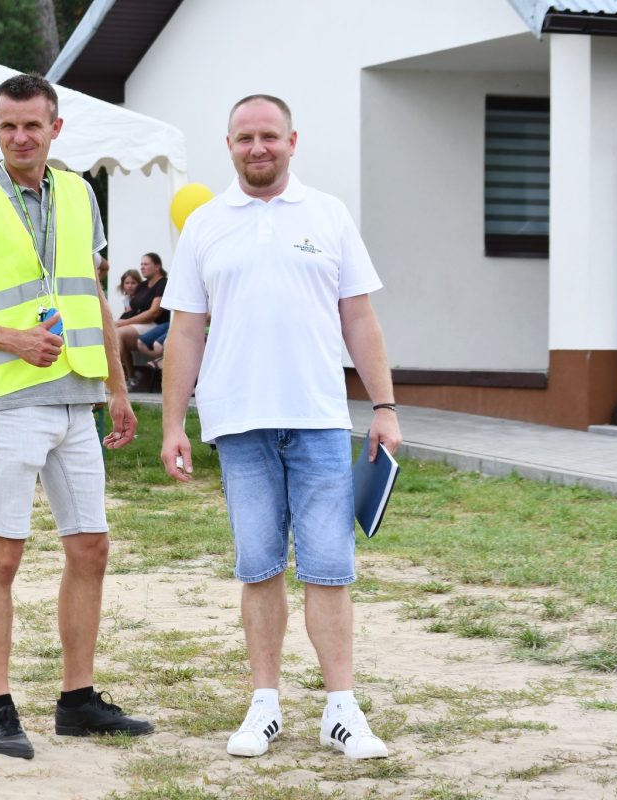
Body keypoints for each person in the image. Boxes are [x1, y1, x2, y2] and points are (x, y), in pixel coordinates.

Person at [160, 94, 402, 761]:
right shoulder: (205, 225)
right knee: (259, 567)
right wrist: (173, 424)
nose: (258, 148)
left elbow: (360, 318)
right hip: (238, 425)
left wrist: (383, 407)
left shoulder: (329, 215)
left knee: (330, 569)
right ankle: (263, 706)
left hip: (320, 420)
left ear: (293, 140)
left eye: (269, 136)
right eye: (245, 138)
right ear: (229, 144)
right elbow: (185, 330)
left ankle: (341, 710)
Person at [0, 72, 149, 760]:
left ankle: (77, 701)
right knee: (6, 553)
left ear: (56, 128)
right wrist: (14, 340)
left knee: (91, 548)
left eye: (32, 125)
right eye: (7, 125)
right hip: (13, 402)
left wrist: (116, 387)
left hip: (79, 400)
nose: (20, 136)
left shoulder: (81, 194)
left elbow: (92, 300)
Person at [115, 253, 167, 388]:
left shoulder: (163, 283)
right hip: (139, 324)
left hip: (156, 325)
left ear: (157, 266)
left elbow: (154, 312)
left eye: (146, 264)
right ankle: (130, 377)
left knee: (118, 333)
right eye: (141, 264)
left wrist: (124, 323)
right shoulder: (143, 285)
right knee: (111, 332)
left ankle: (119, 380)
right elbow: (131, 309)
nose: (142, 267)